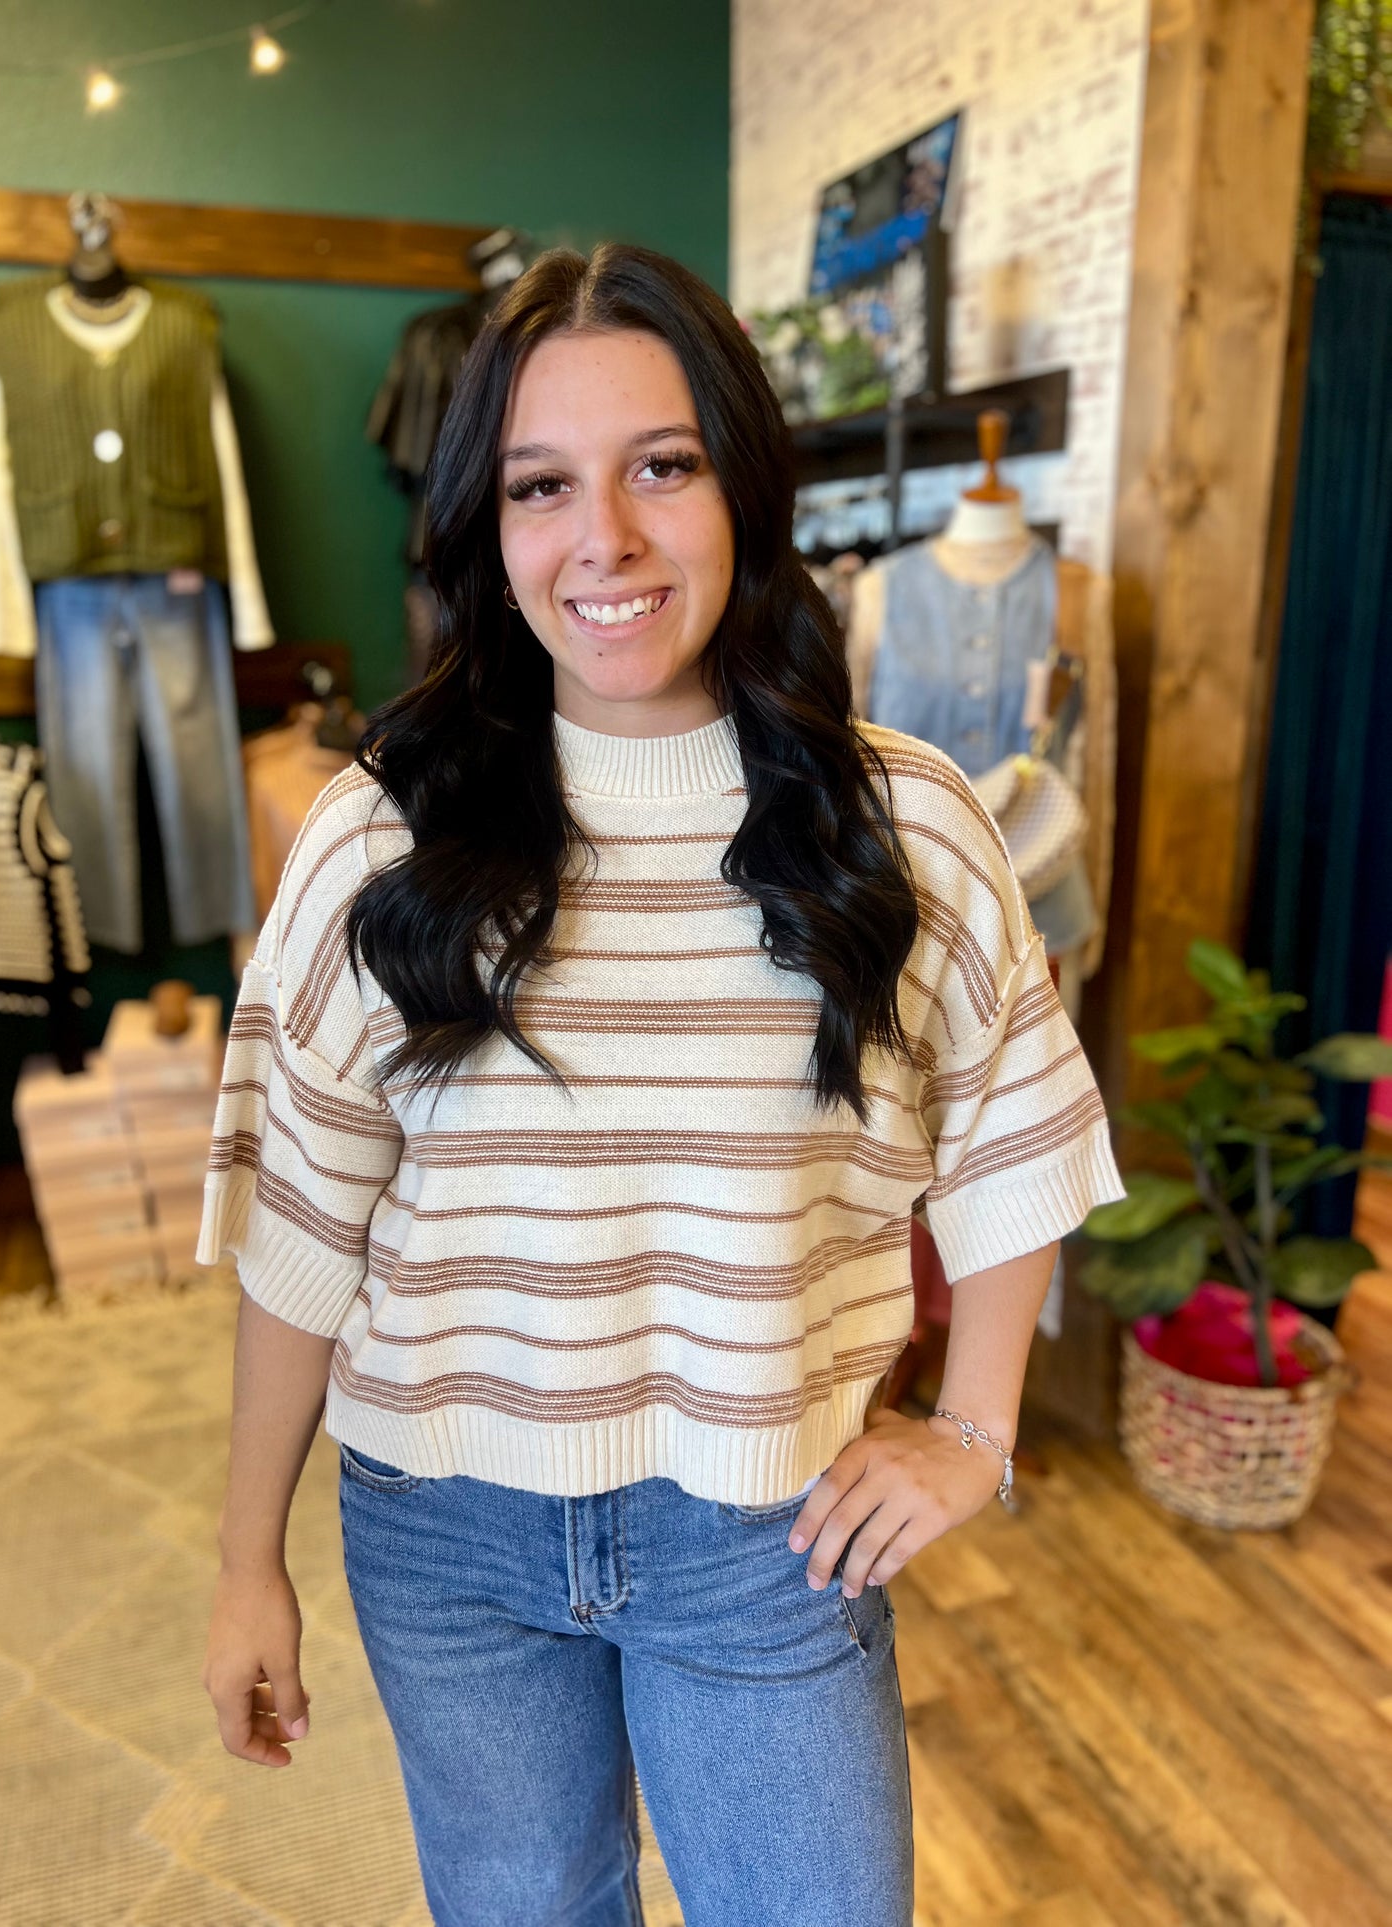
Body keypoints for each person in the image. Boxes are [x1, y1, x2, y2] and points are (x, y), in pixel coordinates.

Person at [199, 242, 1124, 1927]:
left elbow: (1017, 1143)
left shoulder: (900, 828)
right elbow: (303, 1226)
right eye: (542, 486)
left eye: (662, 468)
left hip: (768, 1534)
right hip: (443, 1537)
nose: (602, 540)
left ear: (742, 489)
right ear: (489, 525)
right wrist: (244, 1554)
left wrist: (975, 1434)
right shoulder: (379, 834)